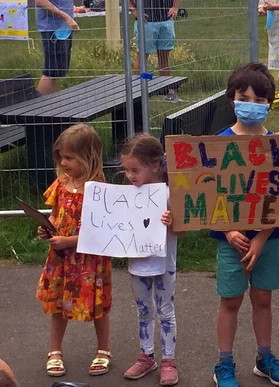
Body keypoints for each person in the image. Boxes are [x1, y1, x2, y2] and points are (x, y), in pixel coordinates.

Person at [211, 63, 279, 387]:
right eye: (245, 97)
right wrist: (229, 231)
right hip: (230, 241)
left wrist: (261, 237)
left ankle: (264, 357)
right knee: (230, 301)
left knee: (263, 299)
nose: (252, 104)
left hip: (267, 241)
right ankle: (224, 364)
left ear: (270, 103)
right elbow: (208, 194)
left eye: (260, 99)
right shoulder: (218, 144)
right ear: (232, 98)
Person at [35, 124, 112, 377]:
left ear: (88, 155)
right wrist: (48, 228)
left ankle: (103, 349)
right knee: (58, 302)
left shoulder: (99, 187)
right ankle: (54, 350)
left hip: (89, 258)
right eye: (61, 157)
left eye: (69, 157)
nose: (63, 162)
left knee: (97, 305)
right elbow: (56, 214)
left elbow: (100, 230)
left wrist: (69, 241)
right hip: (61, 256)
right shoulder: (61, 183)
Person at [120, 135, 182, 386]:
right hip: (137, 264)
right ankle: (146, 356)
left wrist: (172, 222)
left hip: (164, 264)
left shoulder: (169, 194)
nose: (130, 175)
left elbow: (183, 231)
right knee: (143, 311)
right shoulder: (125, 196)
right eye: (126, 170)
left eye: (135, 169)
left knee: (166, 311)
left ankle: (169, 359)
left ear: (155, 165)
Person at [129, 0, 181, 102]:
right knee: (142, 56)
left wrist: (175, 7)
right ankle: (137, 92)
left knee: (164, 56)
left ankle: (168, 91)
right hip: (146, 22)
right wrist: (133, 10)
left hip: (166, 20)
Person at [35, 0, 79, 95]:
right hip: (52, 29)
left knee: (56, 71)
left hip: (63, 29)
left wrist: (74, 9)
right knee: (50, 72)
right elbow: (40, 2)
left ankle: (50, 105)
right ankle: (42, 106)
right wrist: (66, 17)